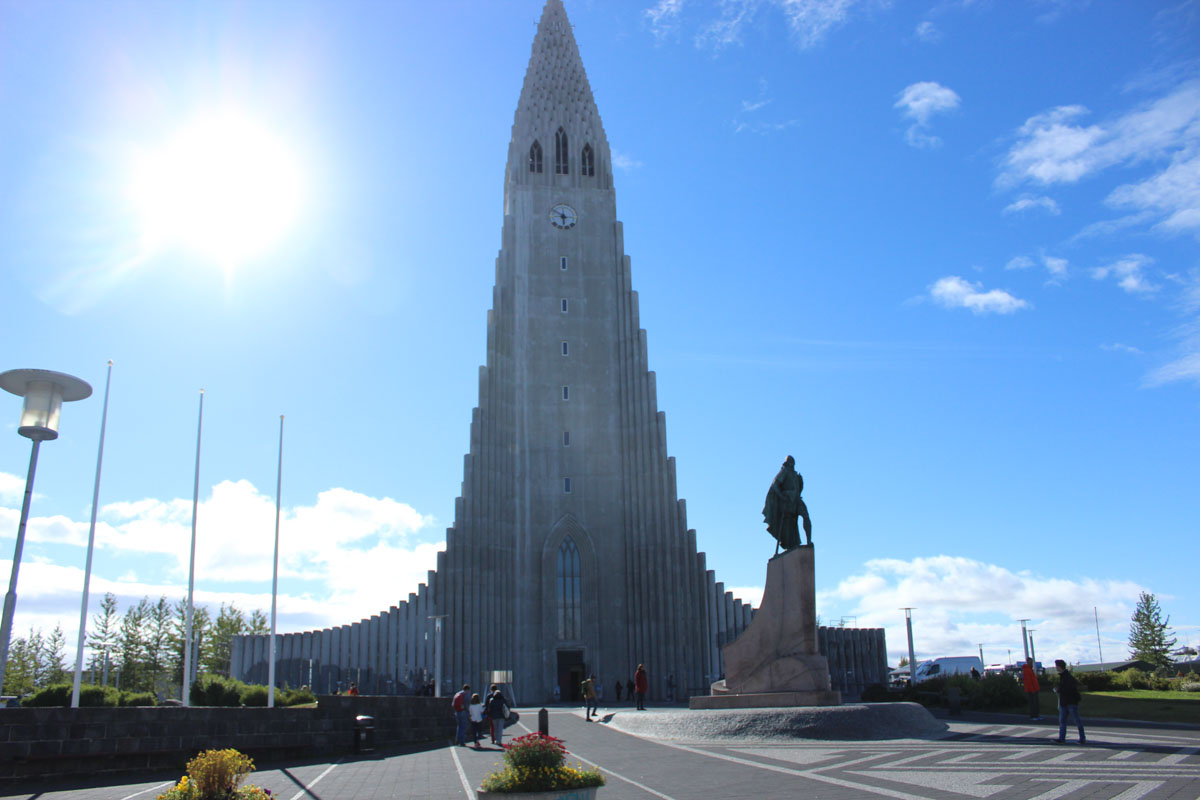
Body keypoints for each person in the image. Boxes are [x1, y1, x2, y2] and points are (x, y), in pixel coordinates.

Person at [762, 455, 812, 551]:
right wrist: (781, 496)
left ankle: (809, 541)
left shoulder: (796, 475)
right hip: (788, 500)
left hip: (797, 499)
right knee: (789, 523)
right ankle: (789, 545)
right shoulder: (784, 472)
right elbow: (775, 484)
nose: (792, 463)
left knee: (806, 516)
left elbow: (799, 488)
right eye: (791, 462)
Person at [1052, 659, 1086, 744]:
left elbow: (1069, 689)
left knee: (1075, 720)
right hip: (1066, 702)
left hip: (1070, 702)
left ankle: (1082, 738)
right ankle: (1062, 737)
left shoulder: (1067, 677)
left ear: (1059, 667)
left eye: (1056, 666)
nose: (1056, 667)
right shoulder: (1065, 676)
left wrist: (1059, 690)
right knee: (1063, 721)